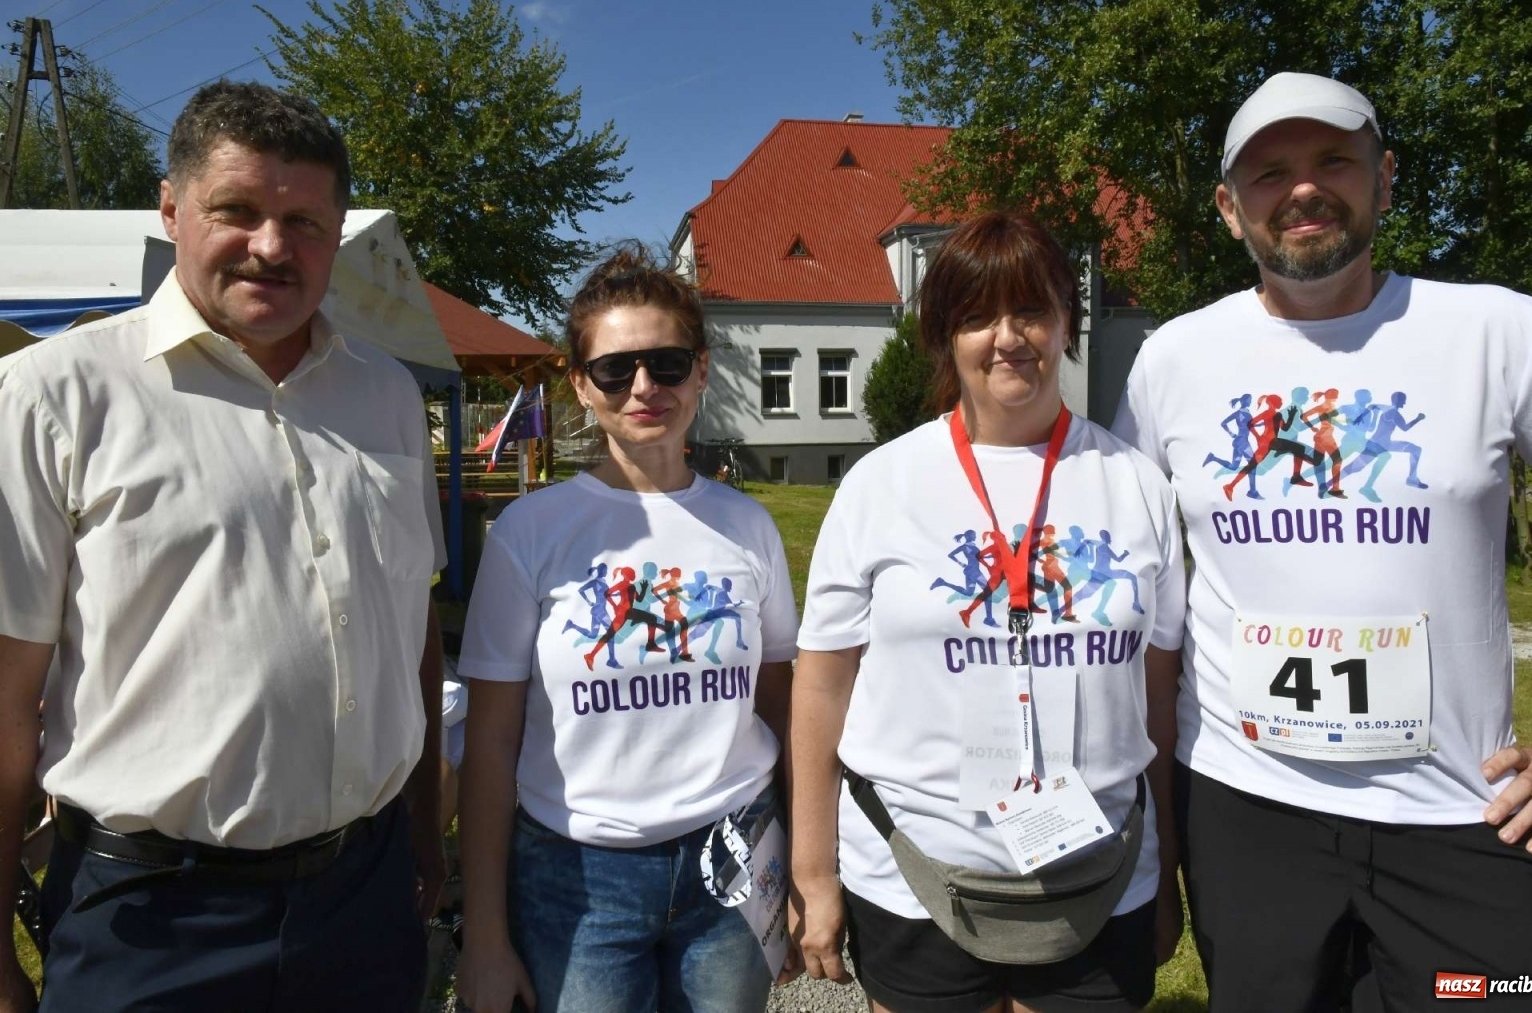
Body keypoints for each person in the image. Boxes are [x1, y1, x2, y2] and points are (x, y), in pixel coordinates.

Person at [1112, 71, 1532, 1011]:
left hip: (1465, 820)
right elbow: (1136, 596)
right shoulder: (1173, 358)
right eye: (1268, 172)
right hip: (1245, 821)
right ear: (1227, 207)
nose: (1303, 188)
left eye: (1334, 159)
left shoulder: (1500, 331)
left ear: (1385, 179)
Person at [0, 79, 446, 1013]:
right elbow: (6, 704)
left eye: (306, 222)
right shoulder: (55, 395)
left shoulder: (387, 397)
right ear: (171, 209)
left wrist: (424, 848)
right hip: (152, 922)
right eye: (236, 211)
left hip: (363, 901)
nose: (273, 247)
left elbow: (413, 635)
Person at [790, 210, 1186, 1013]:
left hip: (1100, 874)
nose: (1007, 338)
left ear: (1067, 322)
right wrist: (813, 873)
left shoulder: (1136, 485)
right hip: (917, 874)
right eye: (976, 317)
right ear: (945, 337)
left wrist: (1167, 867)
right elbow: (821, 689)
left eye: (1031, 310)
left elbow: (1158, 702)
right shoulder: (881, 484)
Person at [454, 244, 799, 1013]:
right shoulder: (529, 531)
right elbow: (489, 745)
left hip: (733, 859)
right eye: (615, 369)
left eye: (668, 363)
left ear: (701, 371)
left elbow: (780, 704)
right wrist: (483, 935)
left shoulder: (746, 526)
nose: (644, 386)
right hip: (577, 877)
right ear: (581, 385)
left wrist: (806, 869)